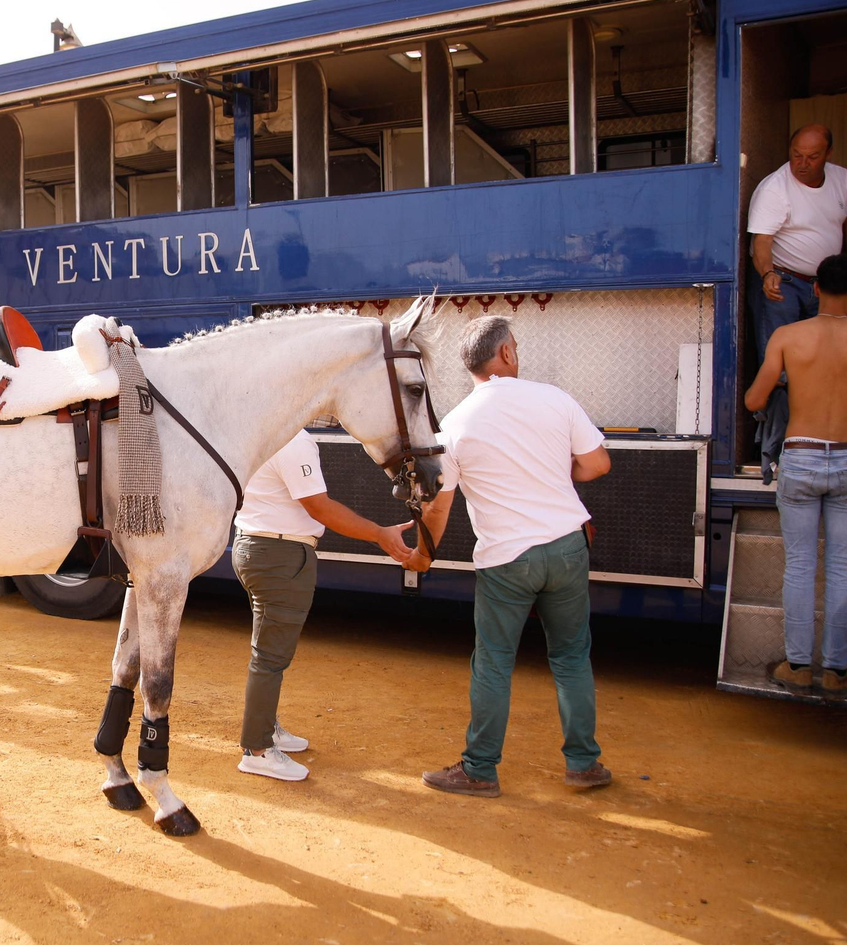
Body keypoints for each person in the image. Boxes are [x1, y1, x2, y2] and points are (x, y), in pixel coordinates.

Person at [408, 316, 612, 798]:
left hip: (506, 559)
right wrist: (554, 473)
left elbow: (441, 506)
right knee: (570, 656)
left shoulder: (454, 425)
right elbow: (597, 463)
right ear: (505, 355)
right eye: (515, 346)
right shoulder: (554, 398)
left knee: (495, 663)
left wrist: (423, 556)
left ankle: (480, 770)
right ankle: (583, 764)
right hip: (566, 545)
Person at [745, 253, 847, 697]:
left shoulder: (787, 335)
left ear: (815, 289)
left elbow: (754, 400)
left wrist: (788, 379)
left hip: (800, 456)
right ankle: (837, 671)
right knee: (842, 570)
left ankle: (797, 665)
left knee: (799, 566)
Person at [233, 430, 419, 782]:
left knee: (266, 651)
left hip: (253, 545)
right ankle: (257, 750)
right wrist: (380, 534)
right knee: (270, 657)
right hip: (280, 555)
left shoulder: (263, 430)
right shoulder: (293, 439)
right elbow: (318, 505)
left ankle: (265, 728)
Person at [748, 124, 847, 361]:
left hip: (827, 283)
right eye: (796, 155)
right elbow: (762, 240)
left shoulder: (840, 177)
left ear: (828, 153)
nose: (802, 164)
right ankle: (778, 398)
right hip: (784, 280)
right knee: (779, 359)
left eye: (812, 157)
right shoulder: (774, 188)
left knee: (821, 356)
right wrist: (768, 274)